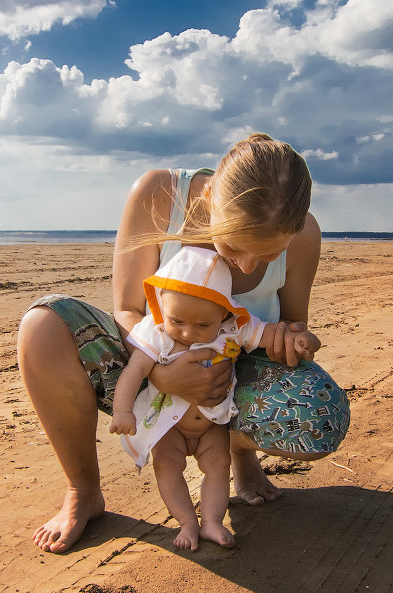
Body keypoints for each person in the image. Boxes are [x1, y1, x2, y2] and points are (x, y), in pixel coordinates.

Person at [17, 133, 350, 554]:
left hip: (230, 376)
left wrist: (296, 339)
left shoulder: (304, 234)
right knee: (42, 326)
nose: (247, 266)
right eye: (232, 245)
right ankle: (83, 490)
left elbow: (292, 324)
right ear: (210, 197)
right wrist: (161, 371)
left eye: (266, 256)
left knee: (318, 416)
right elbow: (127, 310)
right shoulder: (159, 195)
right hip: (151, 352)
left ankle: (242, 456)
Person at [109, 246, 320, 552]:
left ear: (223, 313)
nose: (187, 333)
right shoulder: (157, 333)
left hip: (212, 425)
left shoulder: (233, 329)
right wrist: (122, 410)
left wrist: (298, 339)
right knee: (167, 468)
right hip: (169, 427)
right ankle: (186, 522)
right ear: (162, 307)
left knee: (218, 468)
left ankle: (211, 521)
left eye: (202, 325)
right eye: (177, 320)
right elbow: (134, 370)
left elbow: (270, 333)